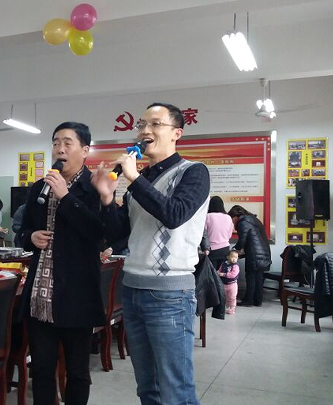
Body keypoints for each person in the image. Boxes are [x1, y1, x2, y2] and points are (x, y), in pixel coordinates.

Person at [92, 102, 210, 405]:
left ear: (176, 133)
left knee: (175, 390)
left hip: (170, 295)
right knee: (147, 387)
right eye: (142, 125)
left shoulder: (193, 172)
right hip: (131, 289)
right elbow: (120, 236)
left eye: (155, 124)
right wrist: (107, 200)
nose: (145, 130)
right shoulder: (140, 181)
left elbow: (174, 214)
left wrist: (134, 179)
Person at [19, 122, 105, 405]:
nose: (60, 149)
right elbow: (22, 232)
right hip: (40, 298)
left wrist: (66, 197)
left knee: (77, 372)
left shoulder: (95, 188)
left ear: (85, 150)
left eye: (68, 143)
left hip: (76, 296)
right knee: (42, 370)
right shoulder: (39, 188)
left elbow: (98, 234)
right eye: (56, 143)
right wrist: (31, 237)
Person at [228, 205, 272, 307]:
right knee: (259, 277)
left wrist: (235, 249)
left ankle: (248, 300)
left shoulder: (243, 222)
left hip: (254, 254)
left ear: (236, 216)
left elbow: (243, 239)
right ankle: (258, 300)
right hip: (264, 253)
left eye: (232, 219)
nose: (232, 222)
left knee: (250, 276)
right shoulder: (254, 219)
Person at [205, 196, 235, 271]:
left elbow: (204, 234)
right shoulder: (228, 217)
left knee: (212, 273)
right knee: (223, 272)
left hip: (212, 249)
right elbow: (229, 235)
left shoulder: (208, 216)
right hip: (225, 248)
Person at [218, 250, 241, 314]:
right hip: (224, 284)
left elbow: (233, 274)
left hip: (232, 284)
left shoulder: (235, 266)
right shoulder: (223, 264)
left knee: (232, 297)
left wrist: (224, 274)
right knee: (225, 297)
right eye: (232, 257)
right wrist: (217, 273)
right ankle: (227, 307)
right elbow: (219, 270)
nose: (234, 259)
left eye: (236, 257)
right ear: (228, 257)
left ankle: (232, 308)